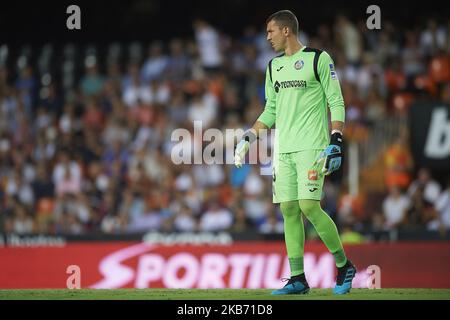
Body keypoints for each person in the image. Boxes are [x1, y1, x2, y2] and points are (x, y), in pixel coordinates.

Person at [234, 10, 356, 295]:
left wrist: (336, 139)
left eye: (270, 32)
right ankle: (298, 278)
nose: (268, 38)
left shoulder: (318, 59)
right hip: (283, 149)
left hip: (312, 146)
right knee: (288, 209)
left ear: (286, 31)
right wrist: (249, 137)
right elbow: (271, 109)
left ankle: (343, 265)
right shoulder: (273, 66)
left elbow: (336, 101)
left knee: (308, 206)